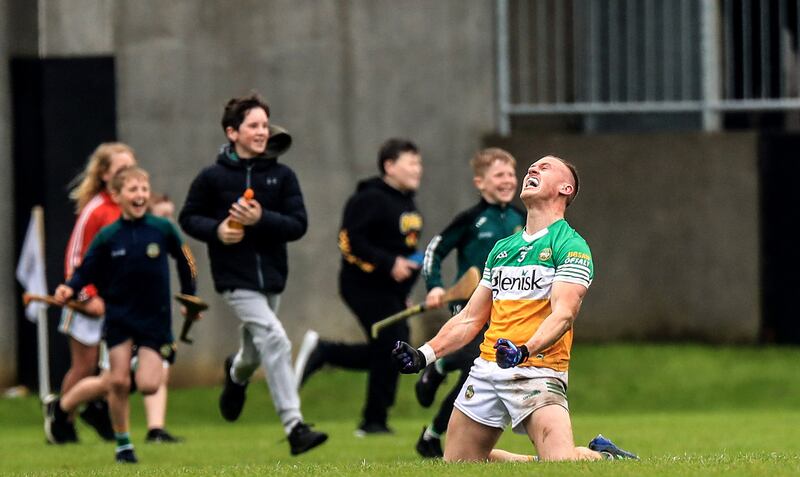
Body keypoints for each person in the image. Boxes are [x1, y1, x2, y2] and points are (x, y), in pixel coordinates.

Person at [392, 155, 638, 462]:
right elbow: (469, 318)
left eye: (544, 167)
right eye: (532, 166)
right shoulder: (502, 250)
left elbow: (563, 315)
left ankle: (604, 457)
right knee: (459, 465)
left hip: (538, 370)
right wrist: (423, 354)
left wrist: (524, 350)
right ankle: (540, 461)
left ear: (566, 188)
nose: (532, 169)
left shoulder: (571, 245)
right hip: (487, 370)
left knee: (561, 464)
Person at [178, 93, 327, 456]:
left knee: (255, 351)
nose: (262, 132)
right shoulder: (212, 177)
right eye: (253, 126)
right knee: (275, 338)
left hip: (273, 279)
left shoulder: (281, 176)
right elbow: (188, 217)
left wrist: (261, 219)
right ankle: (295, 427)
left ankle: (236, 374)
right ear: (232, 132)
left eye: (264, 124)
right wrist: (217, 231)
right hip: (234, 279)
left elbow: (298, 225)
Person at [52, 166, 199, 464]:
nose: (140, 195)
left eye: (144, 189)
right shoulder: (109, 236)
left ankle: (140, 362)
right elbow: (86, 269)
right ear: (117, 196)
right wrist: (69, 288)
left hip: (154, 319)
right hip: (119, 318)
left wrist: (190, 296)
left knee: (147, 384)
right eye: (133, 190)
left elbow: (187, 261)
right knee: (117, 383)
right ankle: (123, 445)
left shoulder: (162, 228)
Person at [294, 138, 423, 436]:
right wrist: (388, 263)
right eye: (411, 162)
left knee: (391, 350)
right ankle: (373, 420)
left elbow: (410, 253)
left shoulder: (408, 202)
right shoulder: (370, 198)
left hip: (391, 293)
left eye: (420, 162)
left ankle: (327, 353)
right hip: (362, 286)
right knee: (393, 345)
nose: (419, 168)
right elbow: (349, 241)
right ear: (389, 166)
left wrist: (403, 294)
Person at [414, 148, 525, 458]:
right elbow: (435, 250)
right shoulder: (470, 220)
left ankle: (432, 429)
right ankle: (440, 367)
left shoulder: (520, 218)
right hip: (467, 307)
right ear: (480, 182)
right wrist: (435, 285)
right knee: (474, 360)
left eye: (511, 174)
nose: (508, 180)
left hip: (505, 310)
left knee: (473, 372)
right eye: (499, 175)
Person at [52, 142, 136, 442]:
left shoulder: (128, 207)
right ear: (104, 174)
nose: (128, 174)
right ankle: (62, 420)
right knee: (83, 367)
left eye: (131, 167)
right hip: (87, 302)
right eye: (121, 169)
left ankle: (94, 409)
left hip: (116, 304)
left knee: (117, 368)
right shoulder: (96, 210)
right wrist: (87, 296)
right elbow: (76, 259)